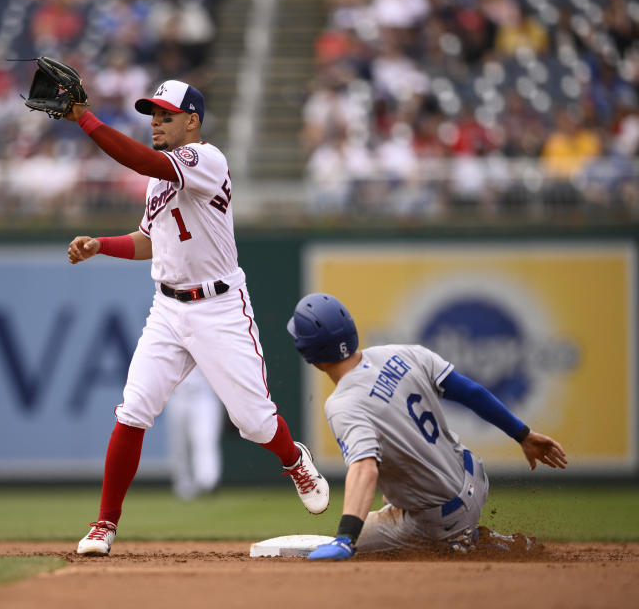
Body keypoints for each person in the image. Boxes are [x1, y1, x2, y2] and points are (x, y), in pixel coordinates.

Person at [62, 79, 330, 556]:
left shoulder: (205, 159)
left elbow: (140, 159)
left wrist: (85, 118)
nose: (156, 122)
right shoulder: (159, 178)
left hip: (219, 306)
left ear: (192, 120)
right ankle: (104, 523)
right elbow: (149, 243)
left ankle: (293, 459)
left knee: (254, 422)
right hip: (167, 307)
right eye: (152, 114)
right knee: (133, 409)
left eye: (166, 114)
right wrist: (102, 245)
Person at [285, 293, 567, 561]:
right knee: (390, 501)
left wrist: (346, 537)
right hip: (473, 475)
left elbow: (365, 468)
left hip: (441, 516)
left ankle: (465, 542)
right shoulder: (400, 352)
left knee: (357, 544)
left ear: (308, 353)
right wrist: (523, 435)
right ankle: (452, 532)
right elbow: (471, 392)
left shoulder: (343, 404)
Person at [166, 367, 223, 500]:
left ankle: (207, 482)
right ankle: (183, 484)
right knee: (179, 443)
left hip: (204, 395)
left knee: (205, 439)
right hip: (177, 395)